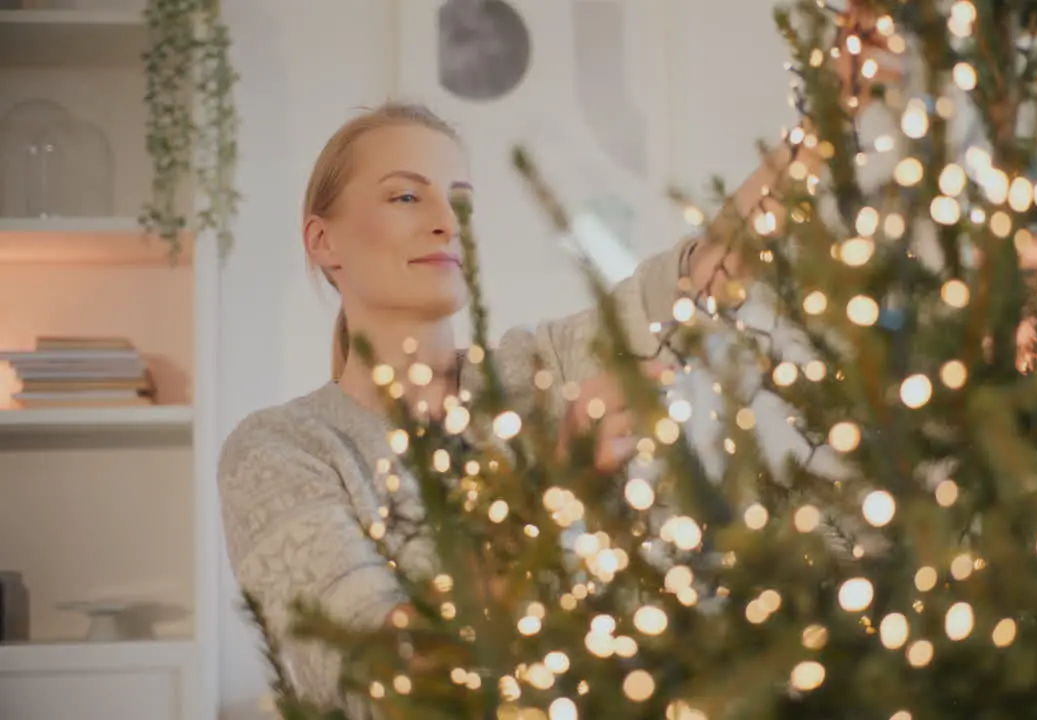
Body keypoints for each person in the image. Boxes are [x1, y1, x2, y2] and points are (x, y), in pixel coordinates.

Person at [216, 97, 831, 711]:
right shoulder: (281, 450)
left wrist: (829, 104)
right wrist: (557, 495)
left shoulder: (533, 372)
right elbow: (394, 685)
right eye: (407, 196)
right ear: (323, 241)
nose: (446, 222)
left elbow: (705, 274)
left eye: (460, 200)